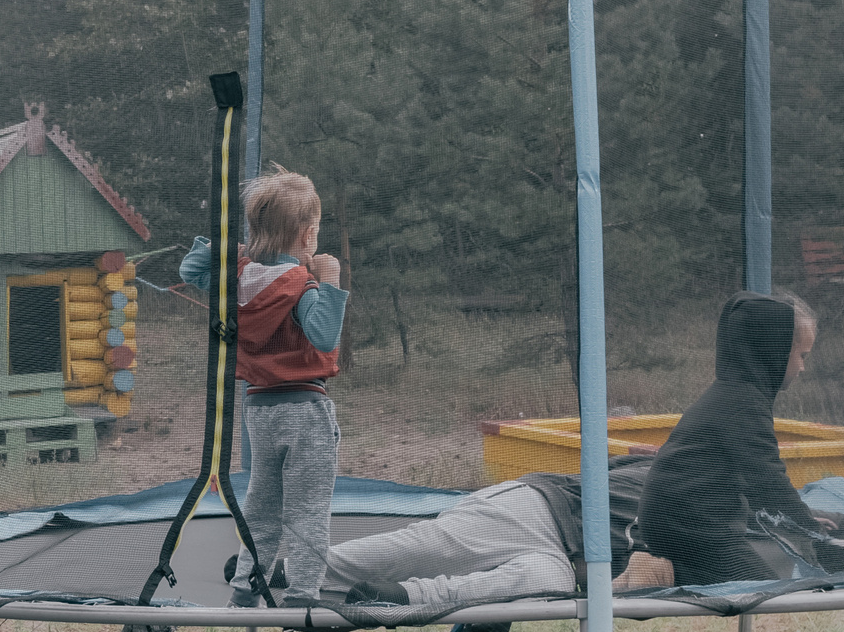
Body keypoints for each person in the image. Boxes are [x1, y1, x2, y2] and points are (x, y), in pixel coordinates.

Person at [180, 167, 349, 607]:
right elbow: (324, 336)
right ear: (309, 235)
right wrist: (329, 280)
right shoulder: (301, 286)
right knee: (307, 511)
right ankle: (303, 596)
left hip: (260, 411)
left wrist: (242, 248)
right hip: (305, 411)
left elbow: (190, 266)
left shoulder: (238, 278)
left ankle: (243, 590)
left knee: (261, 507)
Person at [638, 290, 828, 587]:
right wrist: (812, 531)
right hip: (691, 528)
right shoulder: (743, 405)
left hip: (678, 518)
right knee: (763, 589)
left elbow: (747, 486)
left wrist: (806, 518)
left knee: (752, 579)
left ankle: (666, 567)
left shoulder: (734, 393)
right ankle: (660, 573)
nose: (803, 368)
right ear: (774, 351)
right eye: (801, 356)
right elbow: (769, 483)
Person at [324, 459, 661, 609]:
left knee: (549, 585)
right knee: (425, 550)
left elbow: (613, 589)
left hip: (563, 566)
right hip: (537, 510)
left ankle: (401, 597)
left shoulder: (709, 540)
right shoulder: (657, 464)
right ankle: (291, 569)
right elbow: (587, 473)